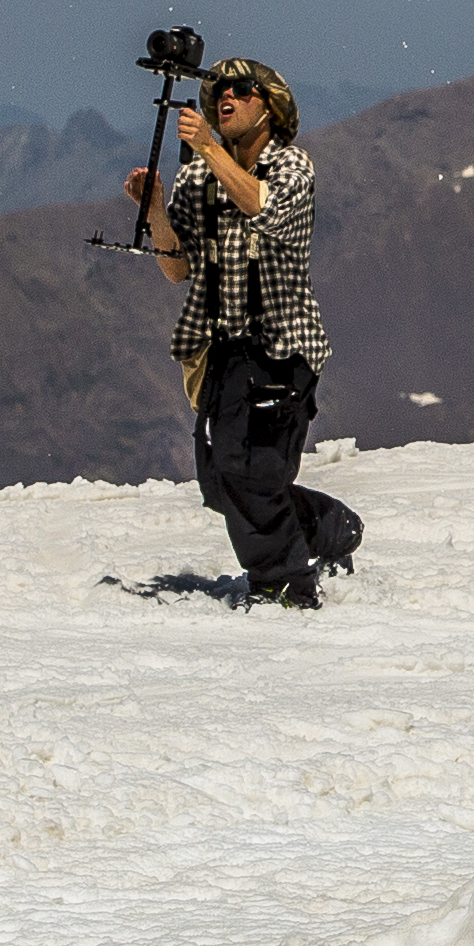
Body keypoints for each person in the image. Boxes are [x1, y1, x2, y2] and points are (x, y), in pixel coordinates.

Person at [129, 57, 360, 607]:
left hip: (282, 346)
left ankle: (284, 584)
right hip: (221, 348)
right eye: (218, 91)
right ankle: (329, 527)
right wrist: (155, 210)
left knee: (251, 470)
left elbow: (266, 209)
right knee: (223, 483)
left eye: (241, 89)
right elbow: (177, 267)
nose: (225, 97)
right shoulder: (196, 177)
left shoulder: (291, 165)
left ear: (270, 105)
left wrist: (208, 149)